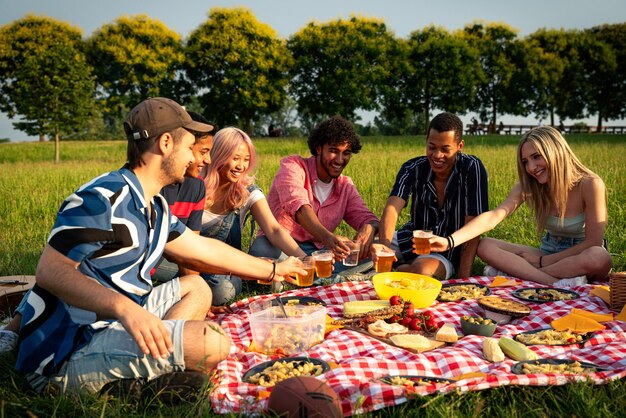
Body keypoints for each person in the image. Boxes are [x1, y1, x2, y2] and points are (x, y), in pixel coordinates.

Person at [13, 97, 305, 395]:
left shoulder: (155, 206)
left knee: (197, 287)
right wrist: (125, 309)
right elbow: (50, 271)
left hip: (114, 323)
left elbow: (203, 249)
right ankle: (124, 376)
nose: (198, 159)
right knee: (213, 341)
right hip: (65, 351)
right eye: (190, 147)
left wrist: (274, 268)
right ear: (166, 142)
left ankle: (147, 368)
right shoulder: (102, 197)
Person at [429, 126, 612, 286]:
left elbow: (593, 242)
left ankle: (520, 273)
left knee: (599, 256)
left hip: (578, 255)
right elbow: (494, 216)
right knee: (485, 245)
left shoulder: (590, 184)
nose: (531, 168)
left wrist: (542, 261)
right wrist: (449, 241)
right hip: (547, 251)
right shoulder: (530, 186)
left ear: (555, 151)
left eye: (536, 157)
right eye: (525, 162)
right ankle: (555, 283)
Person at [253, 116, 379, 274]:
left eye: (346, 153)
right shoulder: (293, 166)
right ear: (319, 148)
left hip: (319, 252)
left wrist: (369, 227)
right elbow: (299, 208)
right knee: (262, 250)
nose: (340, 160)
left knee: (377, 245)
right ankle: (319, 275)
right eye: (333, 151)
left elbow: (368, 218)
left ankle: (312, 275)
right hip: (282, 246)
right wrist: (328, 238)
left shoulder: (345, 186)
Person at [372, 112, 489, 280]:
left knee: (422, 271)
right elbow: (392, 207)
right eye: (432, 147)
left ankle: (400, 269)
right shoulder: (413, 167)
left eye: (445, 149)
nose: (437, 155)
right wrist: (384, 249)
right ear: (426, 141)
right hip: (412, 239)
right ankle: (396, 266)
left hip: (446, 251)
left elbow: (474, 224)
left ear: (460, 146)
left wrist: (463, 279)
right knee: (362, 249)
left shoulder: (472, 168)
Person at [199, 127, 307, 303]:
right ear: (218, 155)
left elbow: (274, 229)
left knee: (224, 289)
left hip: (225, 267)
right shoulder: (194, 188)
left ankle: (253, 276)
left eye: (246, 160)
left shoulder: (247, 192)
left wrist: (304, 259)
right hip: (189, 262)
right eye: (235, 158)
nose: (241, 166)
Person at [152, 111, 216, 283]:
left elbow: (191, 246)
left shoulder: (196, 185)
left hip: (178, 256)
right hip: (152, 261)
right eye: (202, 152)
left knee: (223, 285)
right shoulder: (150, 187)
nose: (208, 160)